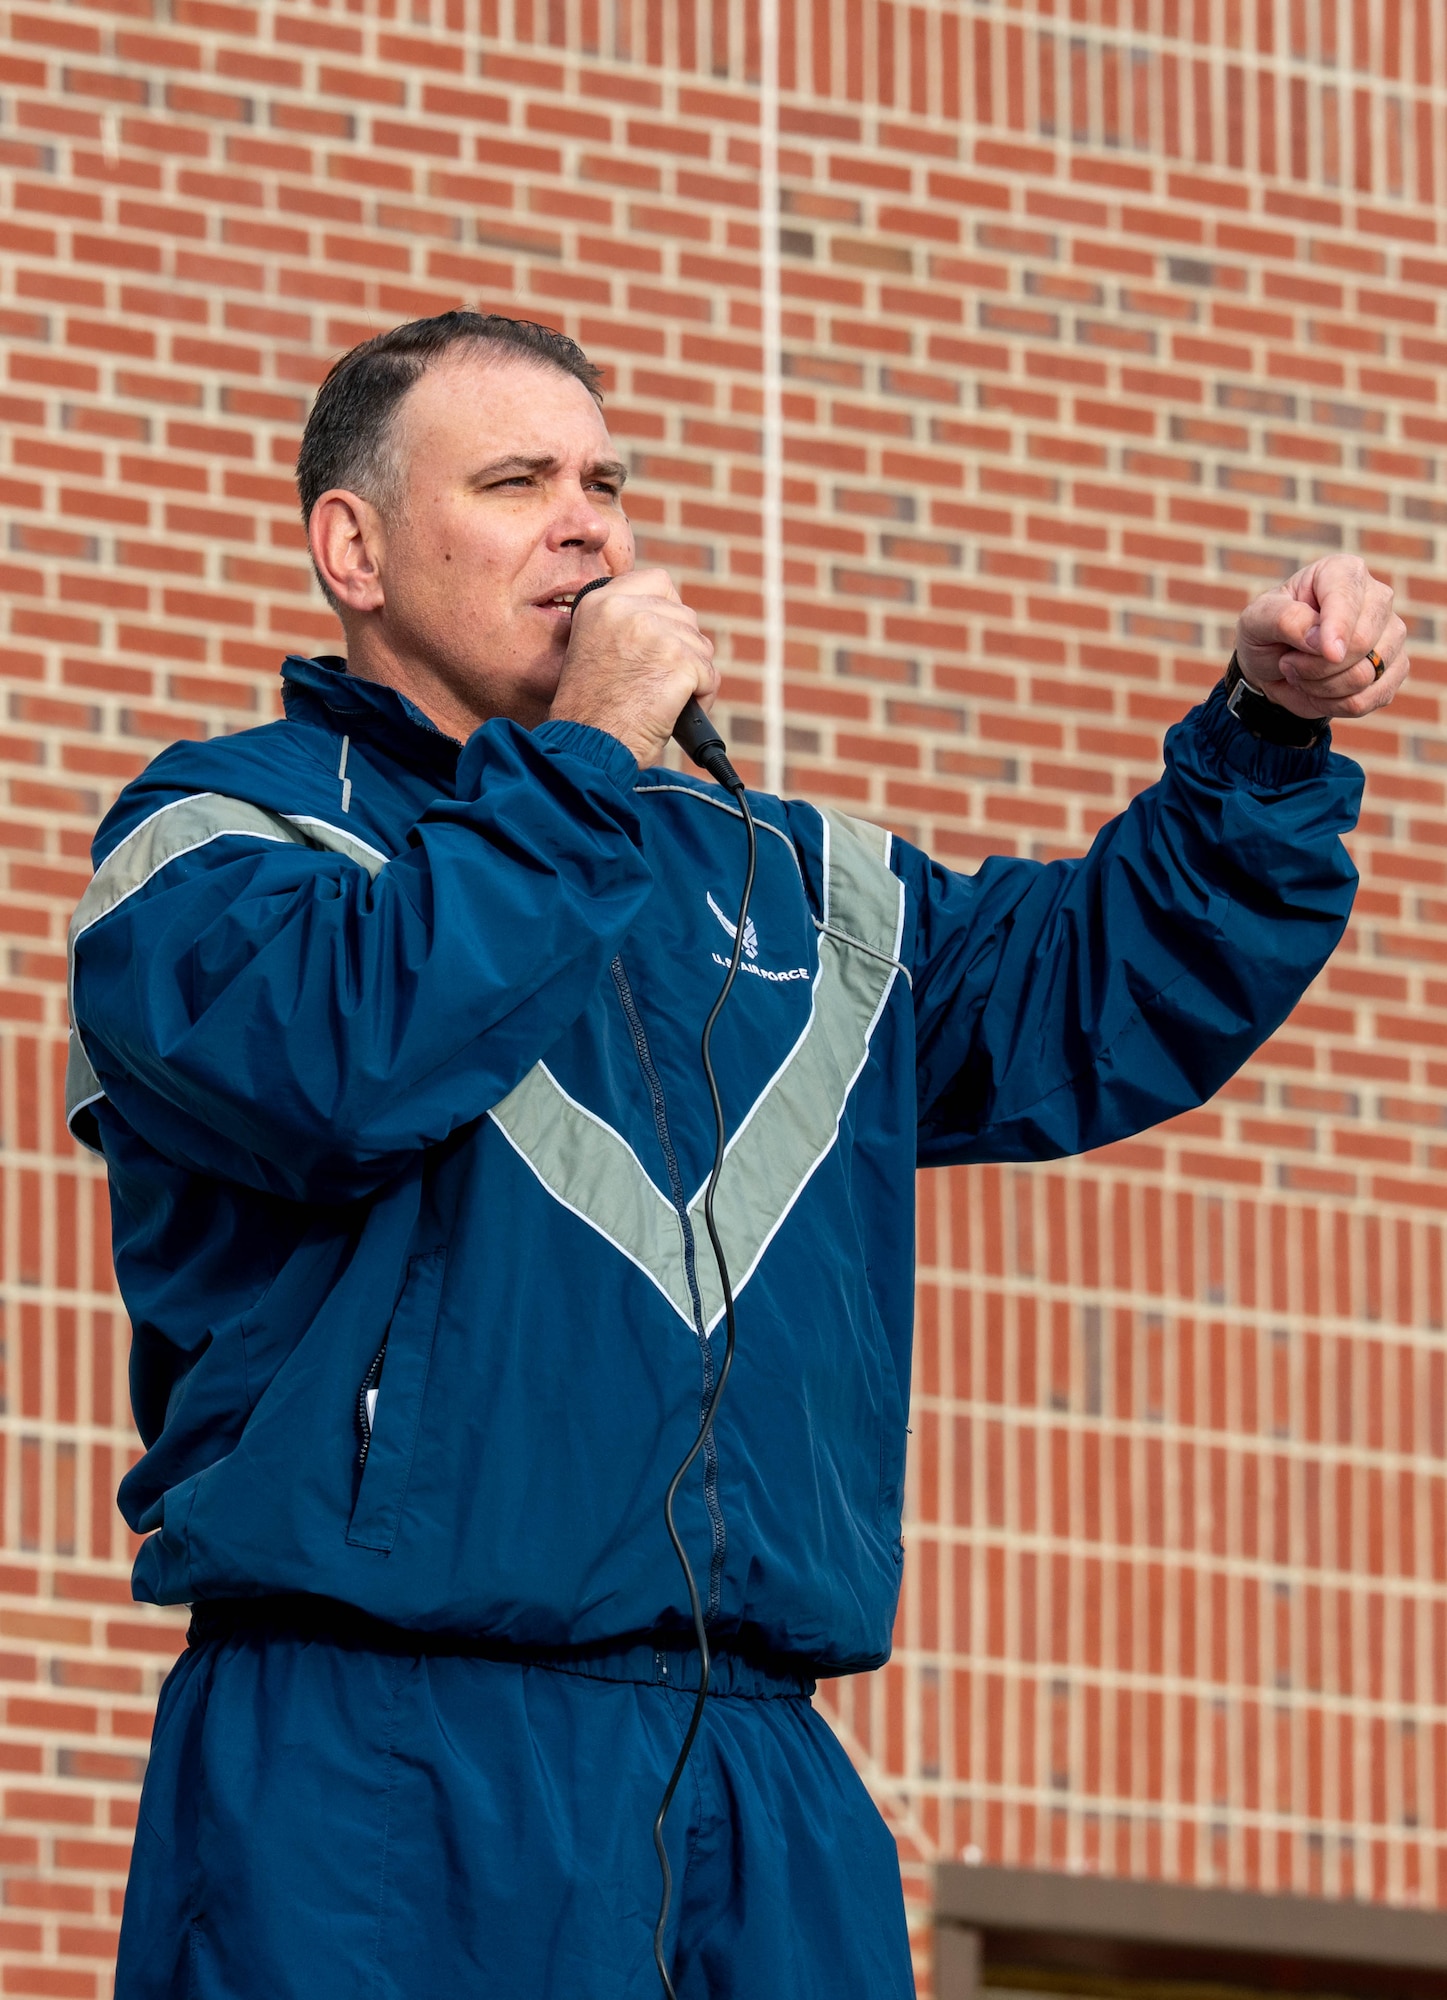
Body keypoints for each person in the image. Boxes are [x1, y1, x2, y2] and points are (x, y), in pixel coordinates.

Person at [70, 311, 1402, 2000]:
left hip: (758, 1776)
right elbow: (350, 1056)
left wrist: (1267, 740)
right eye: (516, 480)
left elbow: (1099, 989)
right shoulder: (217, 848)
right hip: (377, 1760)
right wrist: (590, 762)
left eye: (606, 482)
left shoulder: (800, 889)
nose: (591, 524)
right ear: (355, 548)